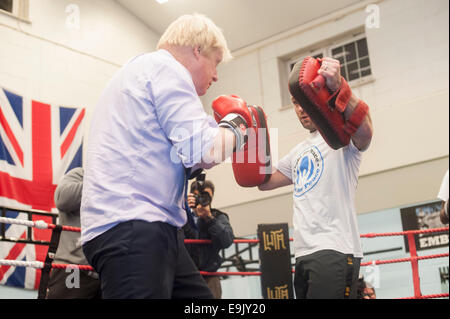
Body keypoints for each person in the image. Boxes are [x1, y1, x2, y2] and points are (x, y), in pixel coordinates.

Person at [80, 14, 247, 299]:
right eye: (215, 62)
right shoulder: (167, 70)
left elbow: (187, 155)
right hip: (133, 228)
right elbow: (203, 149)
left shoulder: (141, 71)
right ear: (197, 50)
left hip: (151, 229)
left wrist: (217, 130)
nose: (216, 75)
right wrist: (238, 130)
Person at [258, 57, 373, 299]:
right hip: (303, 254)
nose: (301, 109)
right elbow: (263, 181)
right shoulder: (298, 151)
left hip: (335, 249)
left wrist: (339, 87)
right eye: (295, 103)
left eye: (305, 101)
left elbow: (366, 131)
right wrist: (248, 134)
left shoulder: (341, 137)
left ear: (316, 98)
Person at [46, 167, 101, 299]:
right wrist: (100, 184)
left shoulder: (120, 187)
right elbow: (62, 199)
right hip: (73, 268)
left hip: (105, 272)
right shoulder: (80, 174)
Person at [184, 179, 234, 299]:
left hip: (209, 276)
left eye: (205, 196)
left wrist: (209, 219)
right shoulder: (181, 216)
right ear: (191, 196)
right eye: (197, 196)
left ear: (211, 198)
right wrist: (182, 208)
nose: (201, 199)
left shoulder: (218, 216)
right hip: (184, 275)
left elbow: (227, 240)